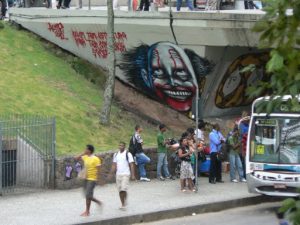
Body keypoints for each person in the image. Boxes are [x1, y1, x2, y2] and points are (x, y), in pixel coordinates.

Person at [75, 145, 102, 217]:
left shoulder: (96, 159)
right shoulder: (85, 157)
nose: (85, 150)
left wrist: (99, 179)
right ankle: (98, 202)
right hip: (85, 178)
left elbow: (99, 170)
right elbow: (76, 158)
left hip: (92, 179)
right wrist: (83, 153)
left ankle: (87, 211)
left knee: (88, 195)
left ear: (89, 150)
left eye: (86, 149)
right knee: (87, 195)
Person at [110, 142, 136, 210]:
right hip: (118, 174)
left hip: (126, 174)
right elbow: (114, 165)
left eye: (122, 146)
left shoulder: (128, 154)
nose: (120, 147)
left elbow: (131, 164)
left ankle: (123, 204)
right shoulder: (116, 154)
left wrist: (133, 175)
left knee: (123, 189)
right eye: (119, 145)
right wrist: (111, 173)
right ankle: (123, 203)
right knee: (120, 190)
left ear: (124, 147)